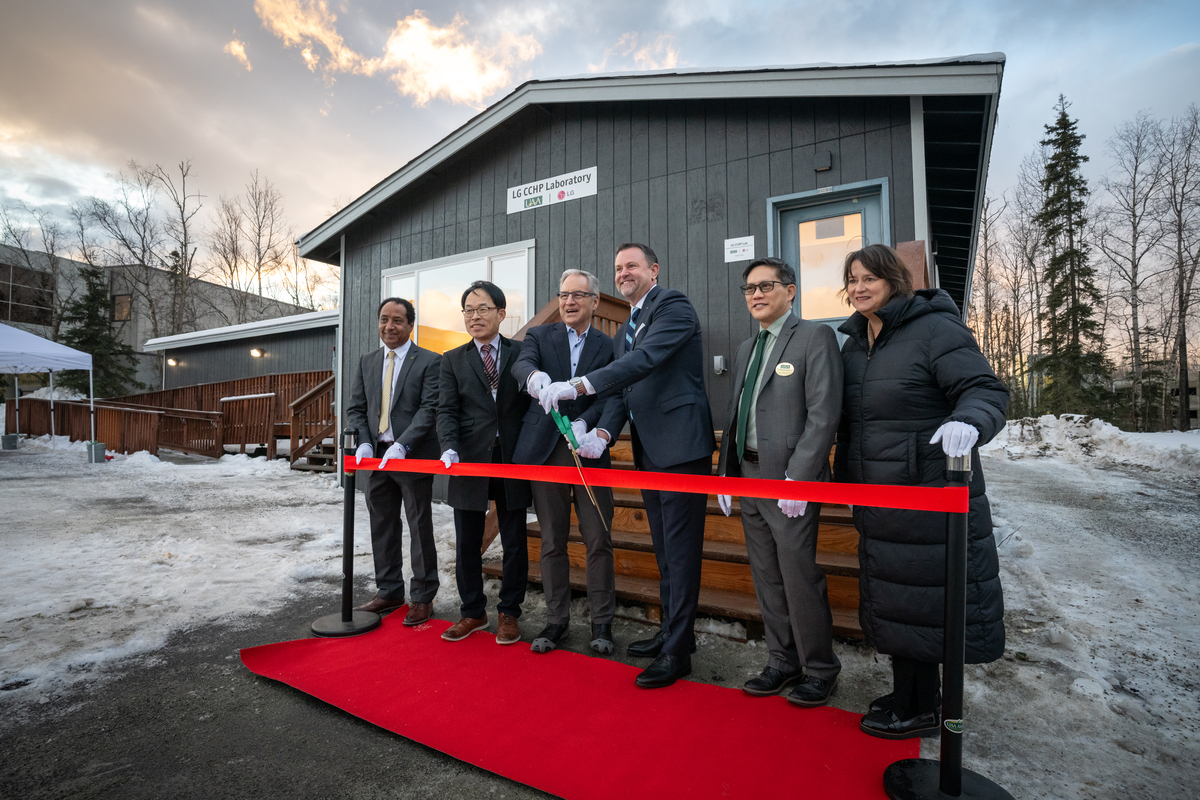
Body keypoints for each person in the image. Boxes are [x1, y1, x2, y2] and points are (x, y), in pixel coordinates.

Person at [834, 243, 1007, 739]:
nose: (859, 287)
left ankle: (928, 707)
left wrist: (969, 422)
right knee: (898, 601)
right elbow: (851, 421)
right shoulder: (854, 343)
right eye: (852, 279)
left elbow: (985, 389)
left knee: (926, 599)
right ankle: (909, 695)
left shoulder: (934, 328)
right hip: (879, 498)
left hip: (928, 493)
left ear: (894, 280)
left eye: (869, 277)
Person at [540, 243, 716, 689]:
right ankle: (674, 635)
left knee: (679, 551)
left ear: (653, 270)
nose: (623, 273)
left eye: (632, 266)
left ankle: (678, 653)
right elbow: (620, 390)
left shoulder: (672, 306)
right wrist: (601, 433)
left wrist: (579, 384)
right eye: (618, 268)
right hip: (651, 449)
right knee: (664, 551)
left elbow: (644, 362)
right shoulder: (626, 329)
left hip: (680, 447)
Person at [715, 257, 843, 707]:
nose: (756, 294)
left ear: (790, 291)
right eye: (749, 288)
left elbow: (824, 414)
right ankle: (781, 660)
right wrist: (726, 474)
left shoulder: (814, 337)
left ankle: (820, 668)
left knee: (798, 575)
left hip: (789, 481)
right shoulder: (748, 346)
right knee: (767, 576)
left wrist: (799, 478)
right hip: (748, 477)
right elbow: (736, 415)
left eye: (766, 286)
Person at [511, 269, 624, 656]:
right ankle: (556, 620)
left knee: (598, 540)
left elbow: (613, 395)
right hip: (546, 452)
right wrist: (535, 378)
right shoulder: (541, 336)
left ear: (595, 301)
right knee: (552, 542)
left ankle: (602, 624)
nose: (569, 301)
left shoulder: (608, 345)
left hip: (589, 450)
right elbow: (521, 365)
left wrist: (588, 424)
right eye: (563, 294)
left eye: (578, 295)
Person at [437, 280, 533, 646]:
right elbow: (446, 409)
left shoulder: (522, 353)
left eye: (482, 309)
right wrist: (449, 446)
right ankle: (472, 611)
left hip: (512, 459)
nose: (475, 316)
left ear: (501, 314)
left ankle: (510, 612)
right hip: (468, 461)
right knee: (467, 543)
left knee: (514, 541)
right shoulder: (453, 359)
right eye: (469, 310)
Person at [344, 297, 442, 626]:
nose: (390, 326)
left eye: (398, 320)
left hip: (411, 457)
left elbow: (429, 410)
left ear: (411, 325)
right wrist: (365, 443)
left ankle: (423, 596)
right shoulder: (368, 361)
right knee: (382, 525)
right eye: (384, 319)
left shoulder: (429, 361)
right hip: (376, 461)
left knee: (419, 526)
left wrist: (402, 444)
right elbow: (357, 408)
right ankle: (389, 590)